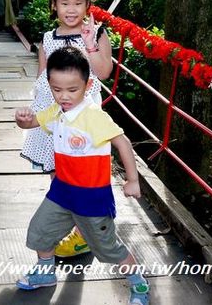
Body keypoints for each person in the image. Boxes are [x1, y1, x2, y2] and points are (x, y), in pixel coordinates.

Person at [14, 47, 149, 305]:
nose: (63, 96)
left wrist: (133, 180)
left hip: (91, 199)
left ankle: (139, 285)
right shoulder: (56, 110)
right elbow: (31, 123)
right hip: (62, 193)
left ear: (87, 85)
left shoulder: (93, 116)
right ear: (50, 85)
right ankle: (45, 273)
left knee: (108, 249)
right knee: (40, 231)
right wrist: (22, 119)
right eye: (56, 89)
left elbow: (123, 143)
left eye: (72, 90)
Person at [21, 0, 113, 258]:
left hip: (84, 117)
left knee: (83, 174)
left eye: (77, 3)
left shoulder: (96, 34)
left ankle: (84, 232)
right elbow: (41, 79)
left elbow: (103, 72)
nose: (71, 9)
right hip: (53, 115)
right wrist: (33, 114)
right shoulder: (48, 38)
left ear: (87, 6)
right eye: (64, 3)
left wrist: (91, 46)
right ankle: (70, 229)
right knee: (58, 173)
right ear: (54, 6)